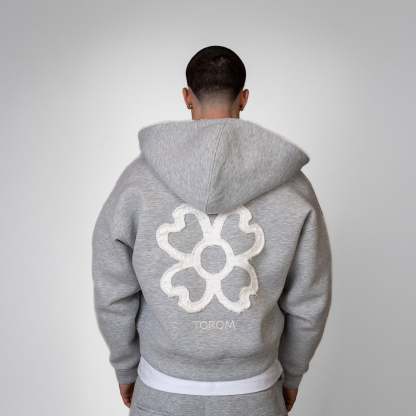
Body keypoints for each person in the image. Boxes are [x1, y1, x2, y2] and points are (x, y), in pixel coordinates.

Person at [92, 45, 332, 416]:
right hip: (255, 391)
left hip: (162, 389)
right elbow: (309, 300)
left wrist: (125, 366)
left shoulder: (136, 183)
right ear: (244, 98)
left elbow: (113, 290)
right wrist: (293, 373)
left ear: (187, 97)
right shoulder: (294, 190)